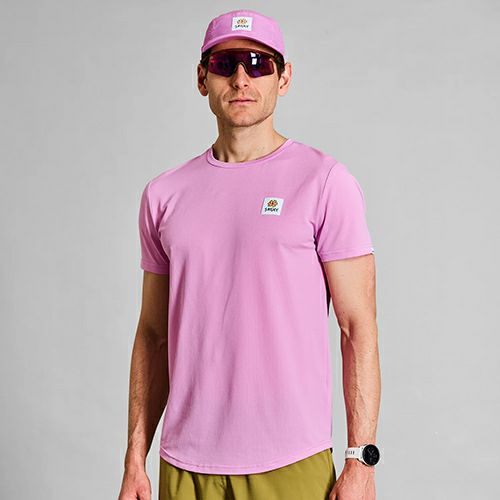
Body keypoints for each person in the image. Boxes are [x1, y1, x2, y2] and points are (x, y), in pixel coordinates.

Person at [118, 9, 381, 500]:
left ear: (284, 78)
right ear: (202, 78)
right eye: (226, 64)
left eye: (259, 64)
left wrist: (360, 460)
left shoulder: (325, 182)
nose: (242, 78)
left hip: (291, 460)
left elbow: (357, 327)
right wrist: (135, 457)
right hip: (185, 464)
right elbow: (153, 335)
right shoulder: (164, 195)